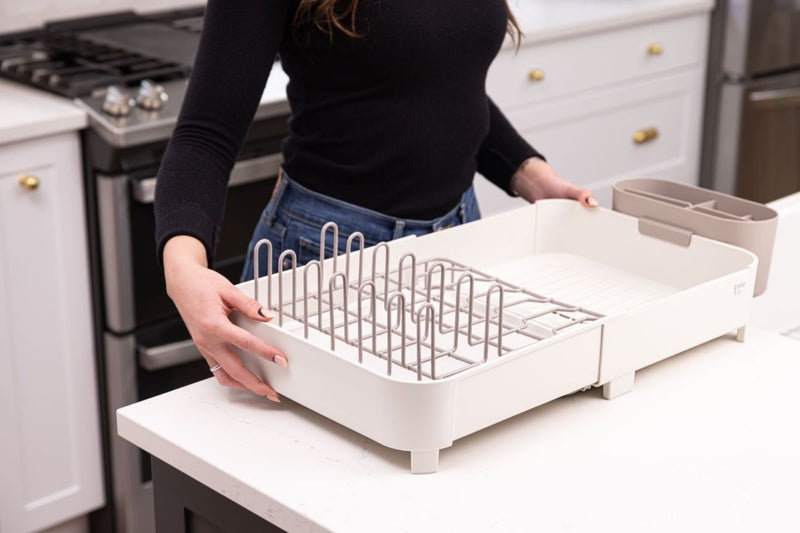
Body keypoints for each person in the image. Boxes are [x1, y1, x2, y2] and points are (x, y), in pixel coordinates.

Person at [155, 0, 597, 403]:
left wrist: (533, 176)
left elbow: (438, 82)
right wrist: (183, 269)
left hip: (458, 239)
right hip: (326, 255)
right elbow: (205, 134)